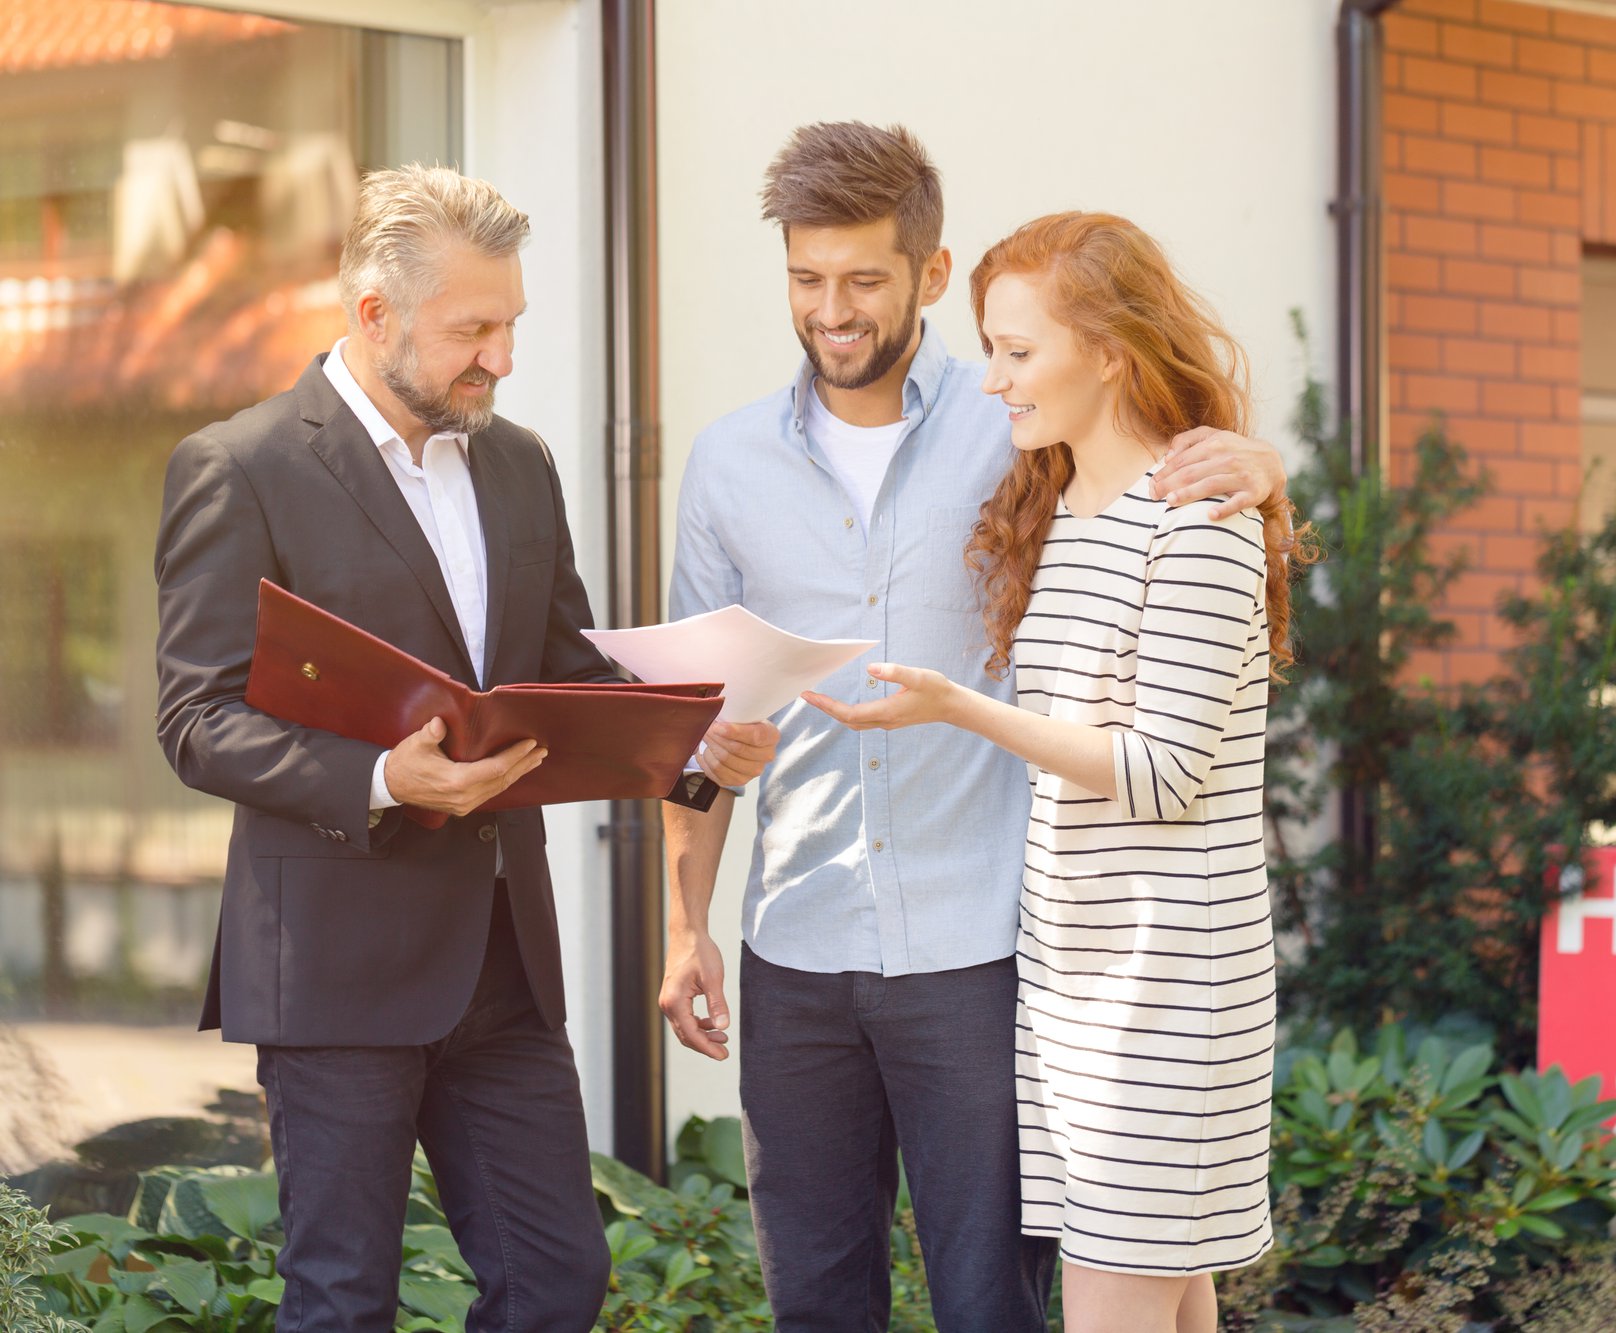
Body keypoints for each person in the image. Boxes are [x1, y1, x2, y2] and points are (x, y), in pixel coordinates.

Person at [659, 122, 1289, 1331]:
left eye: (861, 280)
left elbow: (1157, 492)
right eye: (805, 279)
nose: (831, 310)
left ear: (928, 274)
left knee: (991, 1304)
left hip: (986, 953)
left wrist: (1259, 471)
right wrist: (682, 920)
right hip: (794, 947)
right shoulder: (725, 464)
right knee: (816, 1304)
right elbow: (694, 727)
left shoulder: (1014, 426)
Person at [153, 164, 775, 1333]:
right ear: (373, 314)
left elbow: (563, 684)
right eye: (472, 330)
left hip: (502, 963)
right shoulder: (241, 468)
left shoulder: (518, 462)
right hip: (333, 968)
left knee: (556, 1279)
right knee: (341, 1301)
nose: (499, 355)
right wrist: (385, 778)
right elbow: (195, 717)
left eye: (510, 325)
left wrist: (696, 747)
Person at [807, 211, 1310, 1333]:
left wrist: (955, 709)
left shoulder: (1198, 523)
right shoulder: (1065, 512)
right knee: (1167, 1306)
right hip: (1076, 988)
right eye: (988, 348)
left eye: (1017, 352)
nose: (991, 381)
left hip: (1164, 993)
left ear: (1110, 352)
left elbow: (1162, 770)